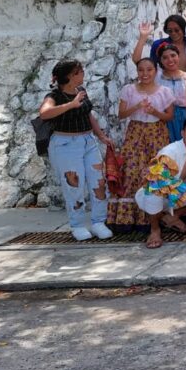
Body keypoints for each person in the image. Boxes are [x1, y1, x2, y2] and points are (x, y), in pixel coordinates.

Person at [38, 60, 116, 241]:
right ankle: (78, 224)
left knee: (99, 182)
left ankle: (98, 222)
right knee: (74, 185)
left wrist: (101, 136)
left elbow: (88, 115)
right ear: (70, 76)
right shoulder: (54, 95)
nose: (83, 73)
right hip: (66, 144)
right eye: (79, 71)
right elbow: (44, 113)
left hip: (88, 141)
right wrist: (70, 105)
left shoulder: (81, 92)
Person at [107, 58, 175, 233]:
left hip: (156, 133)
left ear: (156, 71)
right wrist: (137, 106)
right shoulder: (129, 90)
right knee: (131, 170)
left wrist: (154, 112)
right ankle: (128, 217)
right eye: (141, 70)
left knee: (155, 171)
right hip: (135, 133)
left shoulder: (164, 91)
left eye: (149, 70)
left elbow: (169, 117)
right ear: (137, 72)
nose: (145, 74)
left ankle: (156, 216)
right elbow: (121, 114)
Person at [135, 116, 186, 249]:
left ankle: (171, 218)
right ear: (182, 133)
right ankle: (155, 230)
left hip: (179, 196)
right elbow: (160, 179)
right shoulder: (170, 152)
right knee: (154, 191)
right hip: (157, 194)